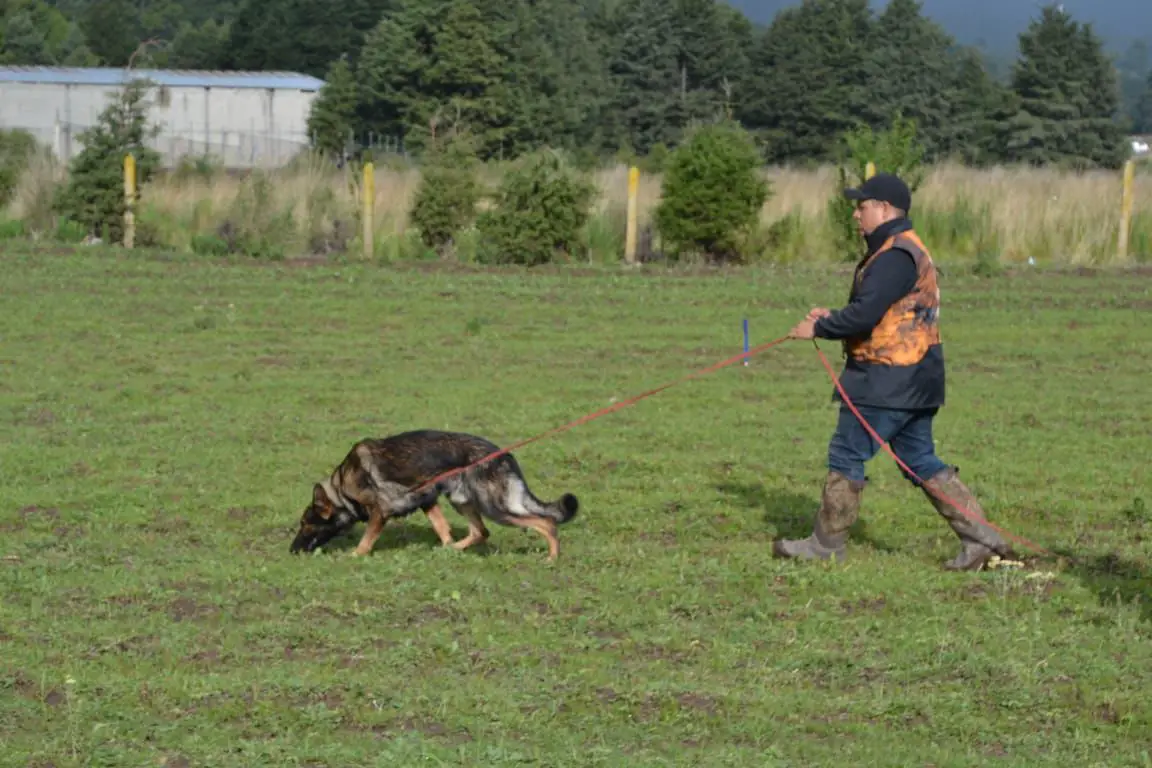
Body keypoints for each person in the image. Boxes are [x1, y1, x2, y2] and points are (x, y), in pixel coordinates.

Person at [776, 172, 1014, 571]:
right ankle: (981, 539)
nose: (856, 214)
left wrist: (817, 327)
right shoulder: (902, 249)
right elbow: (882, 313)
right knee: (920, 458)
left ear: (884, 209)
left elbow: (866, 314)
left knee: (847, 453)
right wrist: (835, 317)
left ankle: (826, 544)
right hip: (916, 380)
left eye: (862, 206)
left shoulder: (893, 256)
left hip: (886, 381)